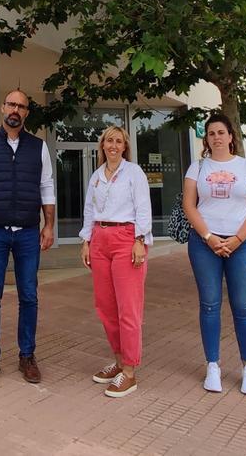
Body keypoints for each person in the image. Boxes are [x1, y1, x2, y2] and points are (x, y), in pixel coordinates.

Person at [0, 89, 56, 385]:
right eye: (11, 104)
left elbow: (47, 188)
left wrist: (49, 225)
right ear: (2, 108)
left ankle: (26, 355)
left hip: (29, 233)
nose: (15, 109)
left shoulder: (39, 147)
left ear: (27, 112)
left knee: (28, 295)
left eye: (21, 106)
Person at [182, 113, 246, 395]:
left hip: (242, 245)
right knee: (209, 305)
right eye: (211, 133)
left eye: (221, 132)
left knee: (242, 307)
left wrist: (237, 239)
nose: (216, 137)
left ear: (231, 136)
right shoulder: (197, 167)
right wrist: (209, 237)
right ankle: (213, 366)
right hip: (204, 244)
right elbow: (189, 206)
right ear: (206, 139)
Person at [79, 125, 151, 398]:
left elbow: (143, 207)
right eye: (109, 140)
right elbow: (89, 210)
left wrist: (140, 240)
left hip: (126, 238)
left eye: (118, 141)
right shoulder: (97, 176)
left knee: (128, 308)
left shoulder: (134, 173)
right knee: (105, 306)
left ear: (124, 146)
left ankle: (130, 372)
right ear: (103, 145)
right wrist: (86, 240)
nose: (113, 145)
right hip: (100, 238)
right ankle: (119, 361)